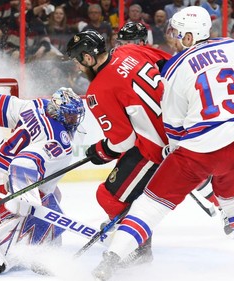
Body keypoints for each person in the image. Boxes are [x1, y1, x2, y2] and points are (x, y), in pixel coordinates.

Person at [91, 6, 234, 281]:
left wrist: (172, 150)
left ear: (189, 36)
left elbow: (174, 126)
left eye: (176, 32)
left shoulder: (176, 67)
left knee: (150, 205)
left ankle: (112, 259)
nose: (172, 37)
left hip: (199, 151)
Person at [0, 87, 85, 274]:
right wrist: (24, 199)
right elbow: (24, 164)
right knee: (29, 214)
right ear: (58, 112)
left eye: (75, 117)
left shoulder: (36, 105)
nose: (73, 122)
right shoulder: (58, 141)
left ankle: (36, 242)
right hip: (9, 176)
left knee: (53, 196)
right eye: (69, 117)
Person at [66, 29, 171, 265]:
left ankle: (138, 250)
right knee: (129, 188)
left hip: (157, 148)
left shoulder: (98, 90)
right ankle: (132, 232)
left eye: (77, 60)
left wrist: (100, 151)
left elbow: (123, 142)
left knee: (109, 197)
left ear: (89, 58)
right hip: (180, 129)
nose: (77, 67)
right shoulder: (128, 50)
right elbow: (170, 64)